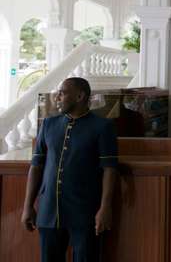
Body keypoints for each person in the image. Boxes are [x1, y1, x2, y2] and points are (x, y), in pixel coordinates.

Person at [21, 77, 118, 262]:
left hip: (85, 213)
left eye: (63, 93)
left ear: (80, 96)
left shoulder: (102, 127)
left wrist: (105, 208)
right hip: (49, 211)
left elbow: (110, 169)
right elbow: (36, 166)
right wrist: (28, 206)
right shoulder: (48, 124)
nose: (57, 97)